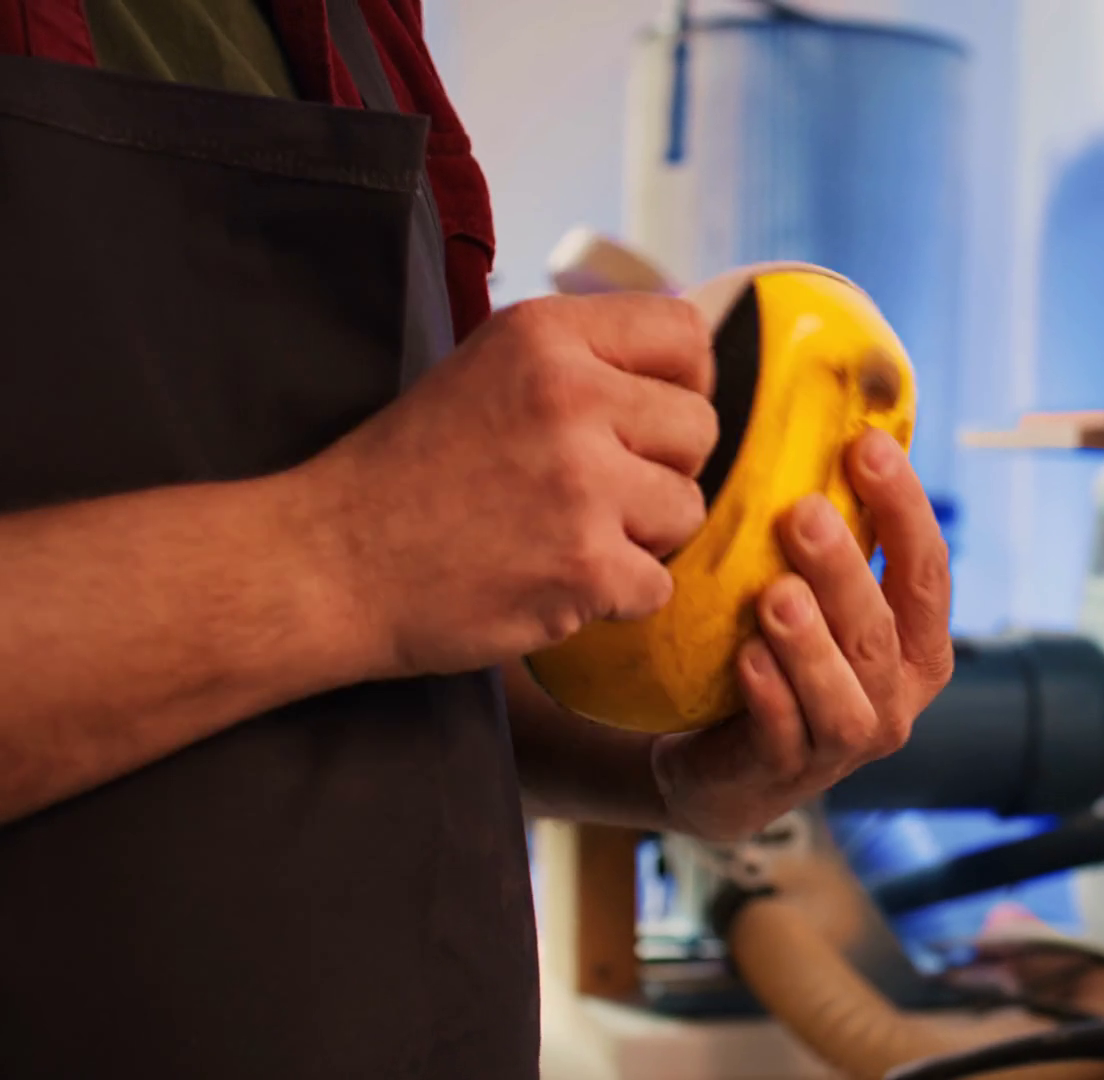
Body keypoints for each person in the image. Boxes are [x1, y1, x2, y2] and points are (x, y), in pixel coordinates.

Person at [0, 2, 955, 1078]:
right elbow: (380, 561)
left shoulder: (367, 26)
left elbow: (417, 625)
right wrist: (356, 548)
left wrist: (671, 765)